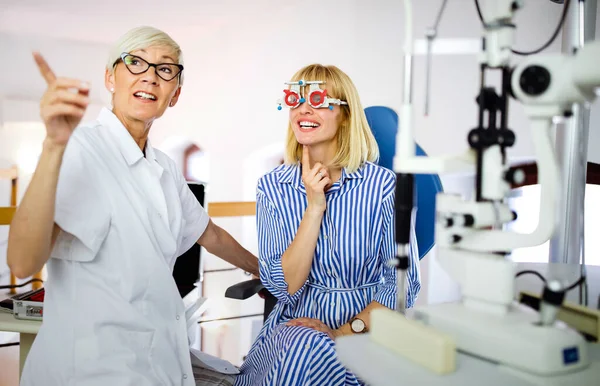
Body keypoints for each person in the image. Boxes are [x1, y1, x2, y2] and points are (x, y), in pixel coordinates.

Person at [7, 26, 258, 386]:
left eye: (165, 69)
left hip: (154, 363)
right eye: (135, 62)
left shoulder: (163, 167)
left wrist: (264, 272)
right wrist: (52, 144)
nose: (150, 77)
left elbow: (209, 233)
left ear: (175, 94)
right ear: (110, 77)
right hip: (93, 369)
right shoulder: (79, 149)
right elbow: (21, 261)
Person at [234, 64, 421, 385]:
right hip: (294, 330)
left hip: (366, 330)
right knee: (303, 347)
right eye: (295, 99)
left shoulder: (382, 186)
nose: (303, 109)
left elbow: (402, 285)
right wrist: (314, 207)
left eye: (319, 100)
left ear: (346, 115)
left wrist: (346, 332)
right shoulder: (273, 187)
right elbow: (283, 287)